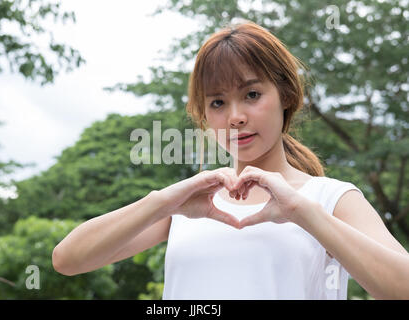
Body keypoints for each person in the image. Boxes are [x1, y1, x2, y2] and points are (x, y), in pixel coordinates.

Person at [52, 20, 409, 300]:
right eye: (218, 102)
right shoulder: (190, 203)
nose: (235, 116)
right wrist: (162, 202)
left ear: (285, 94)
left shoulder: (331, 199)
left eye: (252, 94)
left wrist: (305, 215)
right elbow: (68, 260)